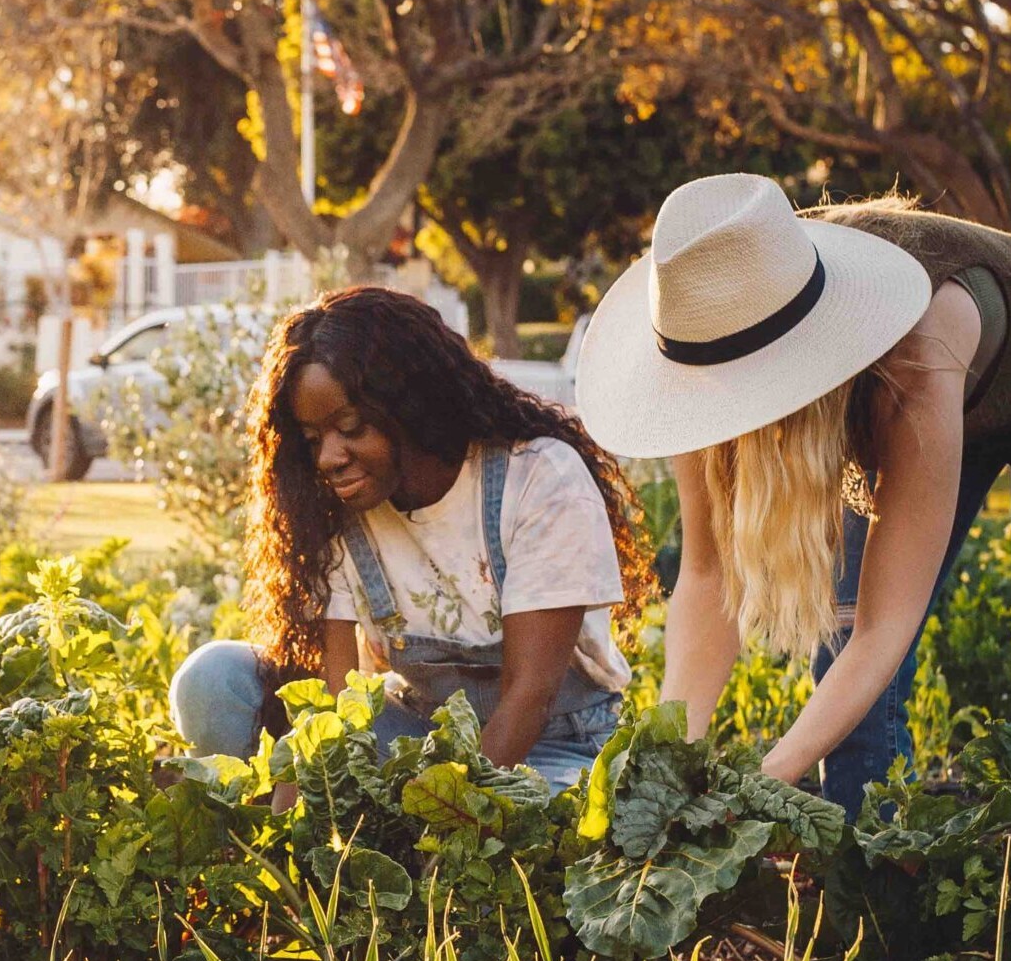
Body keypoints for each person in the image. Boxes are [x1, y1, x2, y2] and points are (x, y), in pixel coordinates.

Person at [574, 172, 1011, 819]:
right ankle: (880, 903)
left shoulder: (914, 352)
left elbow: (885, 629)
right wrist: (666, 771)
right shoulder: (710, 333)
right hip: (932, 395)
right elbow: (710, 576)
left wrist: (761, 786)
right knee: (849, 705)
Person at [170, 285, 654, 795]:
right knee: (215, 680)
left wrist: (449, 812)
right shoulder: (328, 508)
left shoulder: (536, 477)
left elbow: (530, 693)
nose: (329, 458)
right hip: (417, 732)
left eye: (350, 427)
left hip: (554, 746)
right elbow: (328, 708)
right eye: (313, 440)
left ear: (410, 406)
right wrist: (299, 826)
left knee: (550, 813)